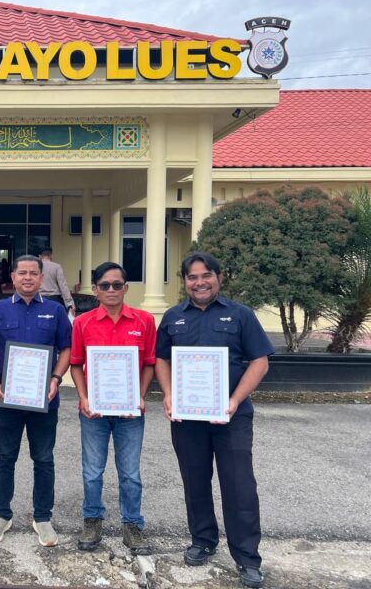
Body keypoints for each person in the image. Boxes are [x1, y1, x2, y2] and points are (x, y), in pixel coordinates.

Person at [155, 252, 273, 589]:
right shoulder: (173, 317)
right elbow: (161, 359)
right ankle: (203, 540)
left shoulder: (241, 314)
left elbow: (260, 361)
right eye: (192, 277)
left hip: (232, 417)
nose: (200, 282)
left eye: (206, 275)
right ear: (185, 282)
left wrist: (234, 401)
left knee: (239, 485)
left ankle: (247, 557)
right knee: (194, 480)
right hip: (188, 417)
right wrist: (168, 393)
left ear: (219, 277)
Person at [0, 255, 71, 547]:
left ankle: (42, 517)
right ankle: (1, 515)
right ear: (13, 277)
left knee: (43, 459)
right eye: (23, 273)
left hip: (44, 400)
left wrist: (56, 378)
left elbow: (66, 349)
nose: (28, 278)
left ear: (42, 277)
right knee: (4, 457)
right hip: (6, 398)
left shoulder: (56, 311)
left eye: (34, 273)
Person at [70, 262, 156, 555]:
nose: (111, 290)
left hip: (130, 413)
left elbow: (149, 364)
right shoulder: (82, 323)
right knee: (92, 471)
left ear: (125, 288)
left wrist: (139, 396)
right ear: (95, 290)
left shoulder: (144, 321)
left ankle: (132, 524)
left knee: (130, 472)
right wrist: (83, 397)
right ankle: (92, 520)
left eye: (117, 285)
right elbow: (76, 365)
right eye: (104, 285)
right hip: (93, 412)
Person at [39, 247, 75, 315]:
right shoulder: (57, 267)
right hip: (54, 299)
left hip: (39, 299)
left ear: (40, 256)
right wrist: (70, 303)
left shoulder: (36, 267)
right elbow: (63, 286)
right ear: (51, 255)